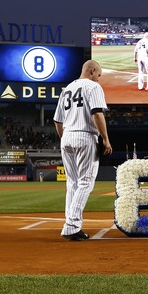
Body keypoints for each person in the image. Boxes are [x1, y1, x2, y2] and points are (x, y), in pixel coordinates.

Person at [53, 60, 112, 241]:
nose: (98, 78)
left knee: (72, 183)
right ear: (92, 70)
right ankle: (71, 225)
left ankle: (71, 223)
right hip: (85, 136)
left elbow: (57, 120)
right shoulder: (93, 87)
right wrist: (106, 139)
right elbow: (97, 113)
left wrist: (65, 139)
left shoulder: (67, 89)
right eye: (99, 75)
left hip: (67, 136)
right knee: (85, 182)